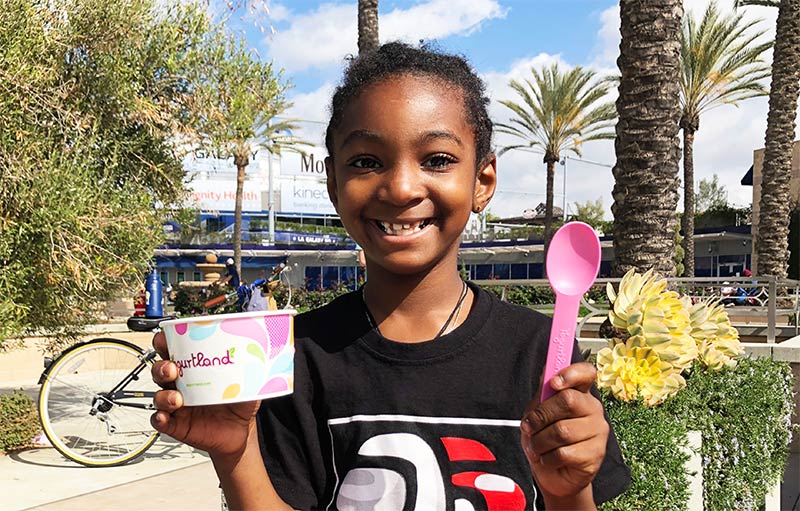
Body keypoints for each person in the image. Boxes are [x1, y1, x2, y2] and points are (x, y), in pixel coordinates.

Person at [150, 42, 630, 510]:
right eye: (366, 162)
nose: (400, 188)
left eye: (437, 160)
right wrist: (236, 453)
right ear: (335, 185)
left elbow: (570, 494)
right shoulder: (294, 355)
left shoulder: (542, 351)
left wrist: (568, 492)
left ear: (482, 182)